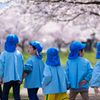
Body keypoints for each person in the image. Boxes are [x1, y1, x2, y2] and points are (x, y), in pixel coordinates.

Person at [0, 34, 24, 100]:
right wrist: (21, 77)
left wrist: (0, 77)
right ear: (17, 44)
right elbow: (22, 66)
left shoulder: (3, 54)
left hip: (7, 78)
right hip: (17, 79)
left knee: (5, 94)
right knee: (16, 94)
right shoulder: (19, 54)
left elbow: (1, 67)